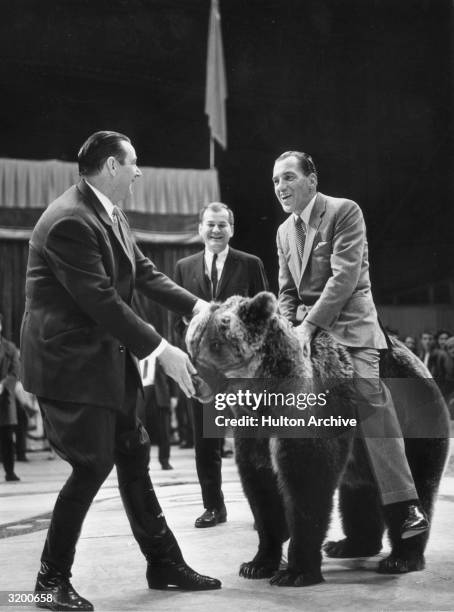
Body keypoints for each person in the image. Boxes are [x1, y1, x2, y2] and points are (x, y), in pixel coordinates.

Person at [20, 131, 220, 611]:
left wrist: (198, 307)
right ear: (112, 166)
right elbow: (102, 301)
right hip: (69, 364)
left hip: (103, 357)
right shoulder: (70, 219)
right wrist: (163, 352)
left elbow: (144, 273)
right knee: (92, 465)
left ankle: (164, 564)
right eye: (134, 164)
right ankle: (48, 582)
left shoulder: (108, 212)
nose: (138, 172)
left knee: (134, 451)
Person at [273, 150, 428, 542]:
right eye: (276, 182)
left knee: (371, 399)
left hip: (352, 327)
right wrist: (288, 328)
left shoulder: (344, 211)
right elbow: (287, 291)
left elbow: (343, 279)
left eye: (289, 177)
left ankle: (407, 506)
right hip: (309, 331)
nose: (281, 187)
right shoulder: (283, 232)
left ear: (312, 179)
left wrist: (307, 326)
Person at [174, 202, 268, 528]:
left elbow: (264, 316)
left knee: (253, 441)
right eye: (210, 225)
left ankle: (263, 508)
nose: (216, 231)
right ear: (200, 228)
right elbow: (177, 321)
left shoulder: (250, 264)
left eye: (222, 225)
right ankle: (214, 507)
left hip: (244, 373)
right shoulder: (183, 268)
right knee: (206, 443)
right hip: (205, 373)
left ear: (232, 229)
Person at [0, 313, 21, 482]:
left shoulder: (10, 348)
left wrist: (3, 384)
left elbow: (15, 371)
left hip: (4, 399)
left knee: (7, 437)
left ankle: (10, 471)